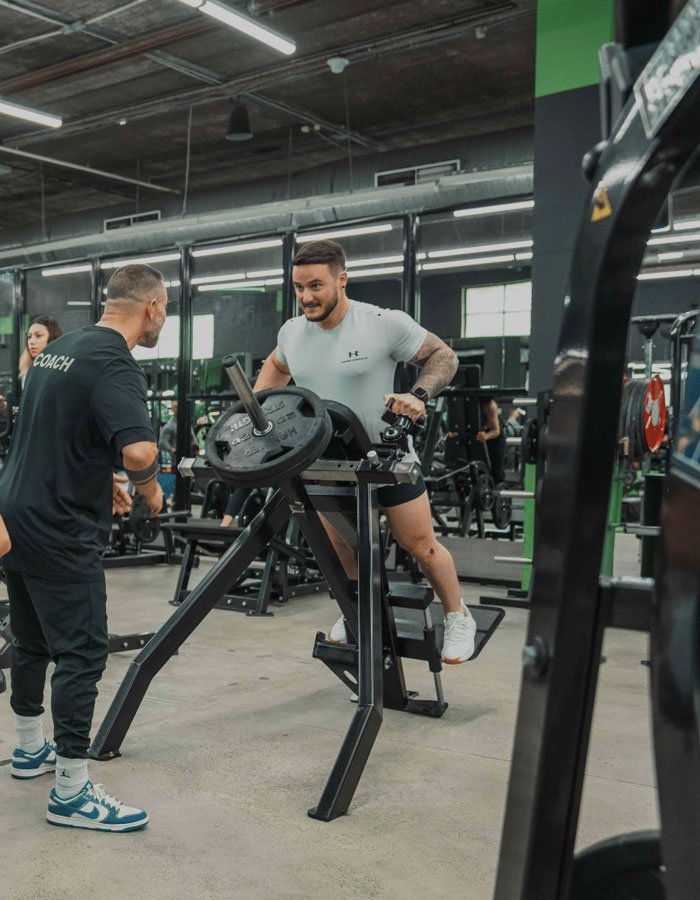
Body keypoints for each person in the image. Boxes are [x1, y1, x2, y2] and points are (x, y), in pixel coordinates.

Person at [253, 239, 477, 663]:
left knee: (421, 545)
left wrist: (419, 394)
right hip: (325, 459)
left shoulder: (381, 323)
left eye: (316, 286)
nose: (306, 297)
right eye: (299, 287)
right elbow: (279, 365)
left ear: (342, 279)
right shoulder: (292, 332)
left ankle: (456, 614)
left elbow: (442, 356)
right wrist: (259, 410)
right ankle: (357, 610)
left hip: (386, 456)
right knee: (344, 547)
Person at [0, 264, 166, 832]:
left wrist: (103, 477)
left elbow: (62, 434)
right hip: (60, 528)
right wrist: (147, 485)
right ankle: (71, 792)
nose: (161, 319)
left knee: (30, 639)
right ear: (152, 307)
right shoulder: (114, 361)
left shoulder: (57, 351)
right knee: (81, 653)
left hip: (16, 514)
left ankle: (28, 750)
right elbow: (140, 451)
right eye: (163, 311)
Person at [19, 315, 63, 387]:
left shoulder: (61, 371)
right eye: (29, 337)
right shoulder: (29, 370)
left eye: (38, 335)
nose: (31, 342)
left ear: (53, 337)